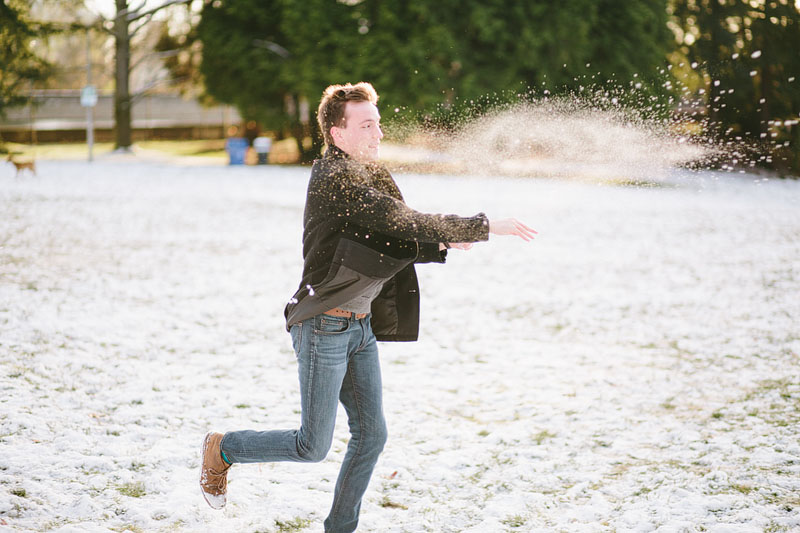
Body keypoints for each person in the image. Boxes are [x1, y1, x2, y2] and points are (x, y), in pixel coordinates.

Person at [200, 82, 537, 532]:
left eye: (378, 123)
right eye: (365, 125)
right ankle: (223, 449)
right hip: (322, 326)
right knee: (312, 446)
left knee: (371, 435)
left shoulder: (369, 175)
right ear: (337, 134)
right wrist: (483, 225)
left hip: (359, 328)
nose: (377, 134)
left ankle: (340, 527)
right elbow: (403, 221)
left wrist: (440, 240)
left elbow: (392, 234)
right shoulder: (335, 177)